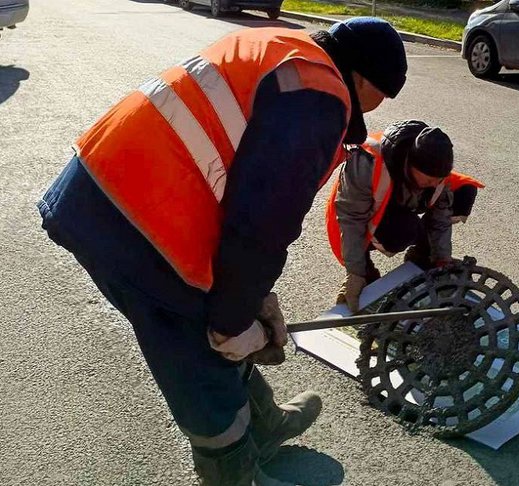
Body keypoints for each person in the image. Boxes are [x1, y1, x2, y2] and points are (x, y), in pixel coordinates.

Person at [36, 19, 407, 485]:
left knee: (222, 310)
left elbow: (240, 191)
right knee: (198, 340)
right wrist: (233, 322)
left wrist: (254, 299)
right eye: (377, 99)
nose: (365, 118)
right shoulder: (318, 93)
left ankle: (263, 424)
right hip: (135, 221)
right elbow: (261, 224)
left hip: (108, 188)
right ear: (361, 78)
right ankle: (234, 473)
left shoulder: (280, 47)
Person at [325, 120, 484, 312]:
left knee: (464, 191)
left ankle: (422, 256)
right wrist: (356, 273)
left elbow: (440, 220)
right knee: (403, 230)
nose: (434, 184)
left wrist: (442, 260)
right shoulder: (367, 162)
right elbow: (351, 220)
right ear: (410, 165)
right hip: (349, 217)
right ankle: (366, 271)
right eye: (428, 179)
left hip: (399, 203)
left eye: (439, 179)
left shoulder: (435, 174)